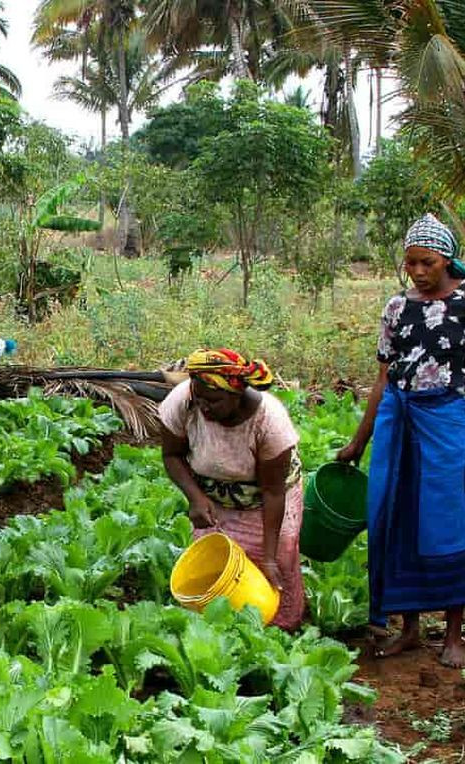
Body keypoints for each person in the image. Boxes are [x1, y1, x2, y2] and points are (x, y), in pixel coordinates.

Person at [336, 213, 465, 668]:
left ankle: (453, 632)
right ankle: (409, 628)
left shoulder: (464, 305)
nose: (417, 272)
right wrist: (358, 440)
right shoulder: (396, 308)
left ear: (446, 259)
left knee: (448, 520)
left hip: (449, 419)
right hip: (399, 416)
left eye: (426, 262)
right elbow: (383, 377)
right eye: (410, 263)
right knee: (393, 515)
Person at [160, 349, 306, 630]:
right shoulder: (182, 401)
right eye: (198, 397)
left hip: (267, 500)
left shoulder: (269, 422)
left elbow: (273, 493)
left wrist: (268, 556)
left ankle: (283, 631)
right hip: (214, 500)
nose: (203, 407)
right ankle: (220, 631)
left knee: (275, 567)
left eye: (212, 400)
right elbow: (171, 456)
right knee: (216, 566)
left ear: (236, 394)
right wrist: (196, 497)